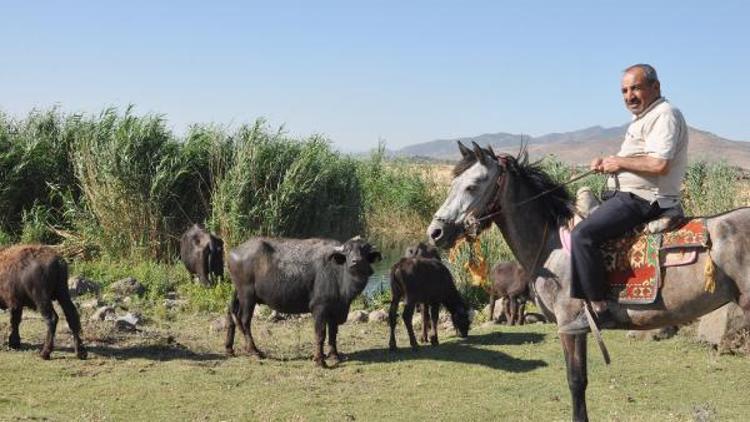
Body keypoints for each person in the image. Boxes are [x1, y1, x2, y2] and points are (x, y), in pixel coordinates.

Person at [559, 64, 689, 334]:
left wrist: (618, 162)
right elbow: (637, 158)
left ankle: (599, 311)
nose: (629, 95)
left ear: (656, 87)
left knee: (582, 235)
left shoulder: (665, 115)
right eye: (624, 90)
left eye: (636, 88)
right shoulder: (644, 117)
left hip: (645, 199)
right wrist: (606, 162)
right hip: (628, 194)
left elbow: (659, 164)